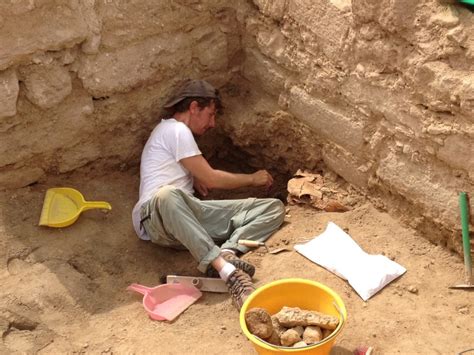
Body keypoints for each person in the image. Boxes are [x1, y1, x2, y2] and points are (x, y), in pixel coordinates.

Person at [132, 79, 285, 309]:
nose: (213, 123)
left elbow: (198, 177)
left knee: (273, 208)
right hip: (156, 217)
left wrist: (192, 177)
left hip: (186, 223)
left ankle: (228, 251)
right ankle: (228, 272)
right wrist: (253, 178)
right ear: (194, 107)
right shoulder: (175, 129)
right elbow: (212, 178)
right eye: (211, 114)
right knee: (167, 195)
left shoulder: (179, 138)